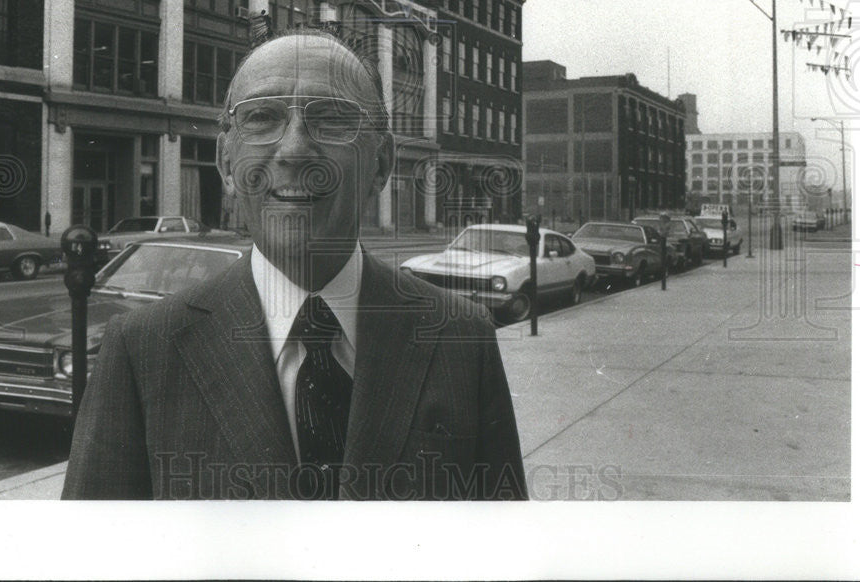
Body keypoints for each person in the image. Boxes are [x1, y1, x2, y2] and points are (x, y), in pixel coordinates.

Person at [63, 30, 526, 500]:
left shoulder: (461, 338)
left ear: (382, 163)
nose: (294, 150)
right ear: (226, 163)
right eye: (262, 117)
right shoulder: (142, 350)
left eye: (331, 119)